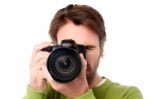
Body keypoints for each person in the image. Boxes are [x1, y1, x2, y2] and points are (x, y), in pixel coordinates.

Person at [24, 4, 143, 99]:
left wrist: (81, 94)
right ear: (54, 50)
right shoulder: (46, 92)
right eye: (69, 49)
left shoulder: (127, 95)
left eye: (87, 48)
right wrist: (35, 89)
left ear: (102, 49)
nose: (80, 57)